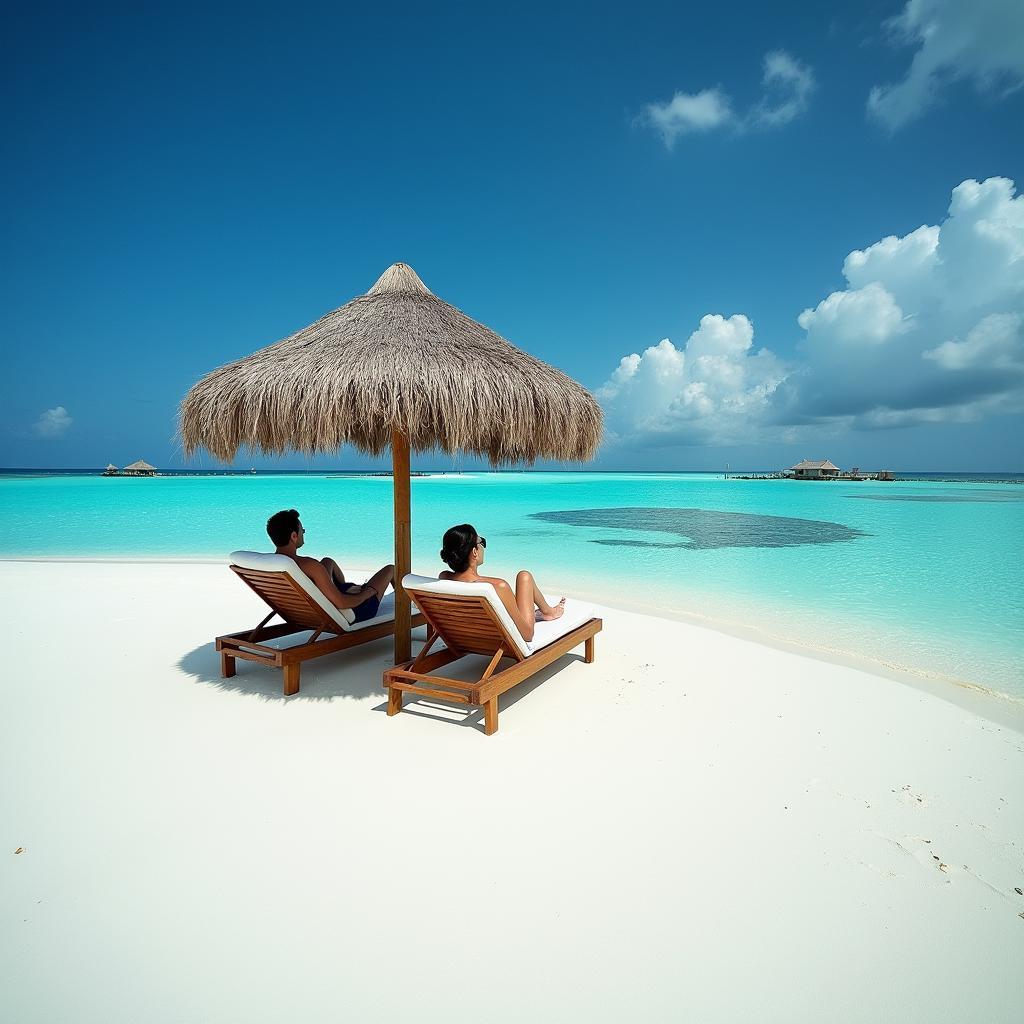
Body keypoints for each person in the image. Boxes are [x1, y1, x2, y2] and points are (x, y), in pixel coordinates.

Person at [438, 523, 564, 642]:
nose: (482, 547)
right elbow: (527, 635)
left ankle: (546, 612)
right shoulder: (497, 586)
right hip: (497, 640)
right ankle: (549, 612)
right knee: (524, 576)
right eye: (481, 542)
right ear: (475, 552)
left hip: (467, 637)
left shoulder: (444, 578)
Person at [266, 508, 394, 623]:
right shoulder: (310, 566)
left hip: (302, 612)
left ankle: (348, 589)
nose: (303, 533)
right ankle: (405, 608)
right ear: (294, 536)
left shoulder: (269, 565)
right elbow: (342, 603)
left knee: (328, 561)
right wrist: (367, 593)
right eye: (302, 531)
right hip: (355, 611)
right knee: (391, 569)